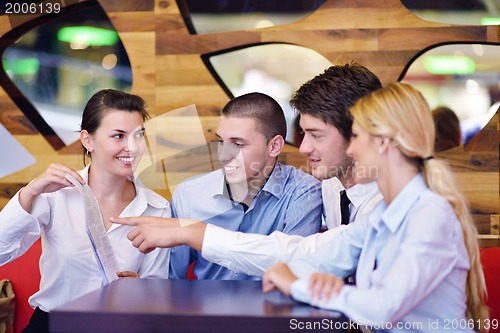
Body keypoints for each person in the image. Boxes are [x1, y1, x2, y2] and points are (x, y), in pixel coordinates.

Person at [112, 63, 383, 278]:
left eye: (317, 135)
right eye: (221, 141)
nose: (303, 148)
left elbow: (300, 259)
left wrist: (195, 232)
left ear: (358, 133)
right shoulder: (332, 186)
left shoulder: (383, 202)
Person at [262, 83, 488, 332]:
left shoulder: (431, 214)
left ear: (382, 143)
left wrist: (297, 285)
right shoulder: (384, 213)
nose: (350, 148)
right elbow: (322, 258)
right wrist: (312, 279)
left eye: (356, 136)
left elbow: (384, 307)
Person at [0, 89, 171, 333]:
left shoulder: (158, 209)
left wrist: (141, 290)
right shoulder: (55, 195)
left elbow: (158, 291)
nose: (132, 147)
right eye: (118, 136)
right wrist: (29, 193)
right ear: (87, 140)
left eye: (139, 135)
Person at [167, 92, 323, 280]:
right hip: (206, 308)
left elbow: (296, 270)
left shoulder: (304, 193)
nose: (223, 155)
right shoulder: (189, 194)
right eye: (220, 141)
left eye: (238, 144)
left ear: (274, 146)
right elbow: (171, 279)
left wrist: (202, 235)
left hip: (275, 307)